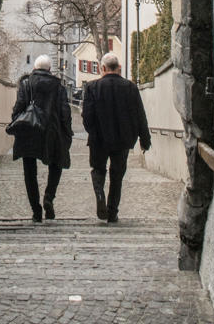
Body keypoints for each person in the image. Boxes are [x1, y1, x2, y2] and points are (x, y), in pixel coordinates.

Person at [82, 52, 151, 223]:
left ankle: (99, 194)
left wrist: (93, 132)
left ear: (102, 68)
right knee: (117, 175)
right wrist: (144, 138)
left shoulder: (92, 87)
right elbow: (140, 114)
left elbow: (87, 116)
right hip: (123, 139)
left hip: (99, 139)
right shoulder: (130, 87)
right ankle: (112, 212)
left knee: (98, 169)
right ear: (118, 68)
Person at [9, 54, 73, 222]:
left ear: (34, 68)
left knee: (29, 172)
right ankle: (49, 197)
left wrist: (16, 123)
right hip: (52, 131)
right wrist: (67, 133)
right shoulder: (58, 86)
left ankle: (36, 211)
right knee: (56, 164)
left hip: (30, 130)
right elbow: (65, 112)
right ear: (49, 69)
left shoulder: (25, 83)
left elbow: (18, 108)